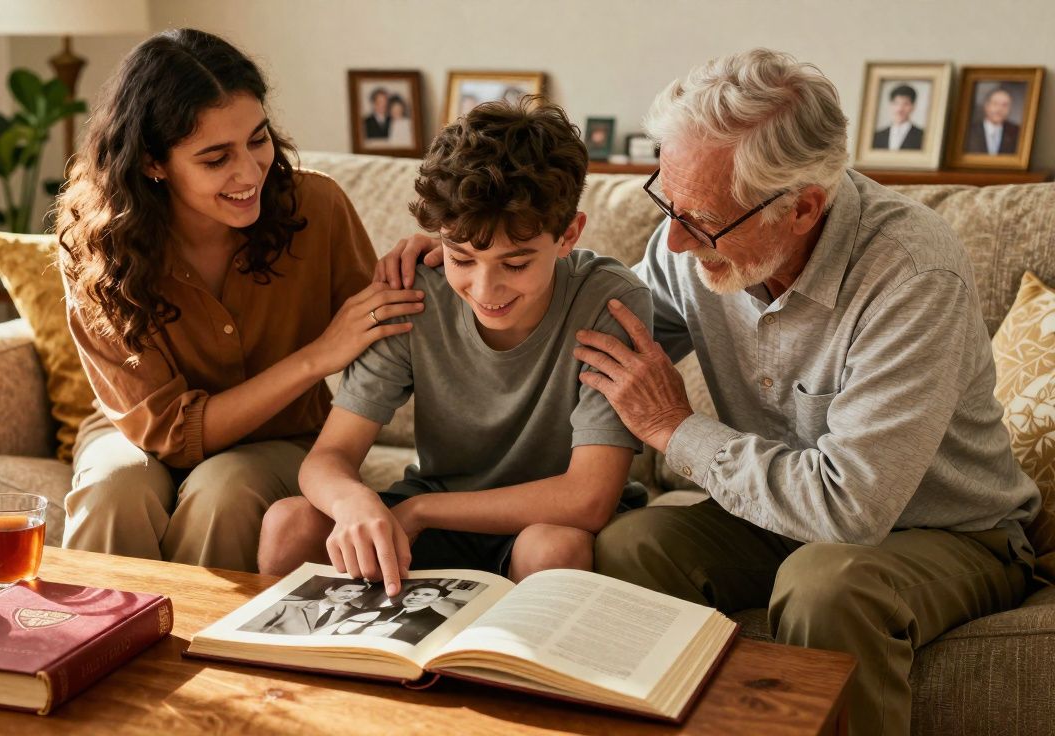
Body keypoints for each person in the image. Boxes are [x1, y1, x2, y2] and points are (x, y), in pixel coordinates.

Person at [374, 47, 1040, 736]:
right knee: (627, 547)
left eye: (701, 221)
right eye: (666, 200)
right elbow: (586, 331)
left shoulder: (911, 275)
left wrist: (675, 430)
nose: (675, 242)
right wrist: (457, 255)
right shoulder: (691, 237)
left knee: (829, 587)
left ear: (804, 207)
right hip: (771, 519)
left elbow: (852, 510)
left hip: (943, 533)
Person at [54, 29, 425, 572]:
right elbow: (168, 433)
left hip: (282, 439)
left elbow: (385, 330)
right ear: (154, 162)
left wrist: (454, 257)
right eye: (215, 158)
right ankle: (91, 646)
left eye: (257, 139)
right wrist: (317, 357)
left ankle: (201, 652)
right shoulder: (96, 246)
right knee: (113, 489)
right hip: (137, 432)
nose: (249, 173)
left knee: (223, 491)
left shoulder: (315, 208)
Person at [257, 99, 652, 598]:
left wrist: (419, 510)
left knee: (552, 550)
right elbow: (327, 458)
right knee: (288, 523)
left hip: (546, 521)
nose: (486, 290)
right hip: (439, 513)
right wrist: (354, 503)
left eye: (515, 264)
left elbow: (587, 499)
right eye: (462, 258)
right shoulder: (415, 291)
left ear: (569, 234)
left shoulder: (609, 300)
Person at [325, 583, 449, 644]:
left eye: (427, 595)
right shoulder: (378, 610)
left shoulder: (438, 621)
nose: (416, 597)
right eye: (414, 593)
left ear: (437, 599)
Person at [239, 581, 369, 635]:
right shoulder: (286, 605)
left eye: (357, 593)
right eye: (347, 590)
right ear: (330, 591)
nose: (351, 595)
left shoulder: (354, 616)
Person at [965, 86, 1021, 154]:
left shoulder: (1017, 133)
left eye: (1005, 105)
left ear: (1010, 108)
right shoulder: (969, 131)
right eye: (995, 104)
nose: (999, 109)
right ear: (986, 106)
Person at [871, 84, 923, 151]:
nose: (900, 109)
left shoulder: (922, 136)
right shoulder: (877, 136)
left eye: (906, 104)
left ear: (913, 106)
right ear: (890, 105)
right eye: (896, 103)